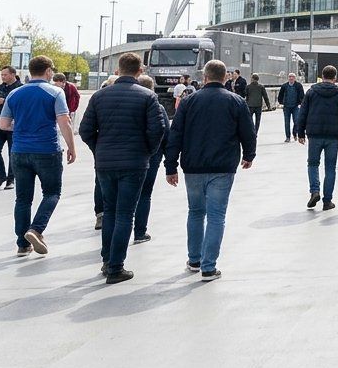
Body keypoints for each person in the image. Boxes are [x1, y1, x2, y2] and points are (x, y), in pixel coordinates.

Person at [79, 52, 167, 283]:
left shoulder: (99, 96)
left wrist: (99, 149)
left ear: (118, 70)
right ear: (140, 71)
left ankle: (107, 260)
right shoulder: (148, 97)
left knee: (109, 211)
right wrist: (146, 151)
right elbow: (157, 130)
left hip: (105, 162)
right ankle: (116, 267)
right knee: (125, 214)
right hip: (134, 162)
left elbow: (86, 130)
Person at [165, 59, 256, 281]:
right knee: (216, 216)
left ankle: (194, 260)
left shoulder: (188, 102)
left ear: (204, 77)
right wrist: (249, 155)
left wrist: (171, 166)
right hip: (223, 167)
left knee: (195, 212)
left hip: (193, 166)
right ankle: (209, 266)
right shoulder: (236, 101)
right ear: (225, 77)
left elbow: (175, 134)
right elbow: (248, 131)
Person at [0, 56, 78, 257]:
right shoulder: (55, 92)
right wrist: (71, 147)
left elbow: (3, 125)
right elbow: (64, 122)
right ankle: (36, 229)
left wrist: (22, 127)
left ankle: (22, 245)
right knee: (52, 193)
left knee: (22, 199)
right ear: (49, 71)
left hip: (19, 151)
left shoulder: (15, 93)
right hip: (47, 150)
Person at [294, 65, 338, 211]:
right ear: (335, 78)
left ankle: (315, 191)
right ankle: (327, 201)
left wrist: (300, 133)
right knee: (330, 168)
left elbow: (302, 113)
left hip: (314, 134)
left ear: (322, 76)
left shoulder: (312, 92)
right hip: (333, 136)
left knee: (313, 164)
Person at [132, 74, 168, 244]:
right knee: (145, 194)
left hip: (128, 155)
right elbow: (165, 132)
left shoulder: (127, 104)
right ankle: (139, 232)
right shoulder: (158, 107)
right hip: (151, 157)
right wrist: (169, 161)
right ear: (152, 88)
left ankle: (118, 233)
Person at [0, 66, 23, 189]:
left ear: (13, 74)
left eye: (5, 75)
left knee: (12, 153)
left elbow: (22, 107)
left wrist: (5, 101)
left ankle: (11, 179)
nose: (3, 77)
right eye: (1, 75)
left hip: (14, 126)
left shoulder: (21, 88)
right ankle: (1, 176)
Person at [277, 72, 305, 142]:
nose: (291, 78)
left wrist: (300, 103)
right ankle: (288, 137)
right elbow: (280, 95)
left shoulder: (298, 86)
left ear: (295, 78)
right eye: (290, 77)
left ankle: (294, 133)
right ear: (288, 78)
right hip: (286, 107)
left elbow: (302, 95)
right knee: (287, 122)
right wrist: (281, 102)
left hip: (295, 106)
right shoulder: (284, 86)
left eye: (292, 77)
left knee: (296, 121)